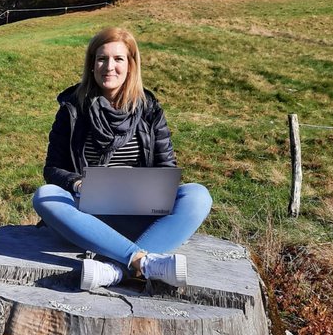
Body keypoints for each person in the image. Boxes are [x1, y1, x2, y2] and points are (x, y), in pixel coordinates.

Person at [32, 27, 212, 291]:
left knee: (198, 195)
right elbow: (52, 169)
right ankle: (142, 262)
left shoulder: (149, 109)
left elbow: (166, 168)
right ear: (92, 64)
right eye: (102, 58)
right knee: (44, 196)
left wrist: (151, 189)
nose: (109, 67)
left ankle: (117, 267)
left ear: (131, 65)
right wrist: (78, 183)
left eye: (118, 59)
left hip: (140, 212)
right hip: (88, 215)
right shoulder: (72, 109)